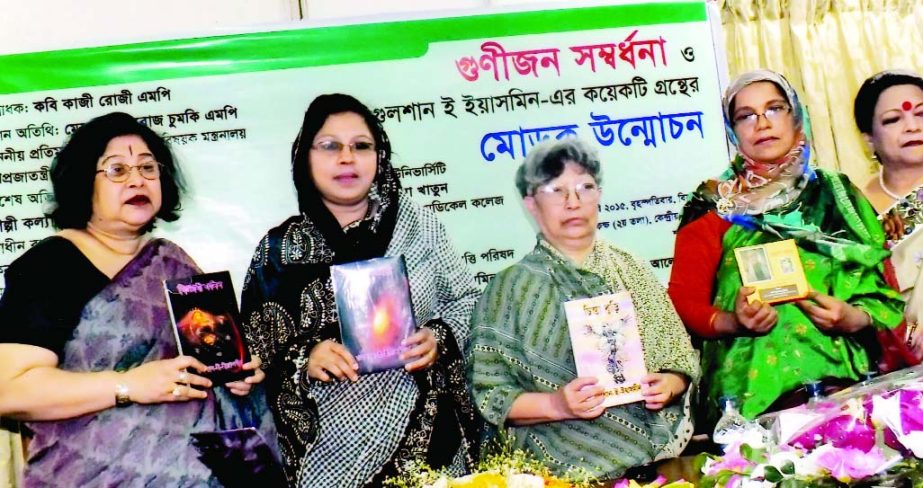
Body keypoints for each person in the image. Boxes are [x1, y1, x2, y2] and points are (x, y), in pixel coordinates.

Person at [0, 112, 276, 487]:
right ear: (84, 182)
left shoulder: (174, 263)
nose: (137, 179)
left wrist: (236, 377)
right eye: (117, 170)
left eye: (148, 167)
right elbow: (10, 391)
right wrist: (128, 386)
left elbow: (206, 367)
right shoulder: (51, 266)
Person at [239, 93, 481, 487]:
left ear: (379, 157)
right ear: (306, 158)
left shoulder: (419, 226)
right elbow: (252, 363)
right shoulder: (279, 251)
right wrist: (306, 359)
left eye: (361, 146)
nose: (347, 158)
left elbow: (469, 301)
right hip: (328, 458)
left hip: (430, 448)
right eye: (330, 146)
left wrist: (438, 337)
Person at [668, 70, 905, 423]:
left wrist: (853, 318)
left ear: (796, 116)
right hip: (752, 404)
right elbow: (684, 303)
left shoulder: (838, 196)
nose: (762, 123)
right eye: (746, 115)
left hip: (852, 388)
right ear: (733, 131)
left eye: (774, 109)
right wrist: (735, 322)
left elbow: (884, 291)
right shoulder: (714, 205)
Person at [467, 138, 700, 480]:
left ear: (599, 195)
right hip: (553, 471)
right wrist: (557, 405)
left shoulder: (630, 268)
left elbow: (679, 360)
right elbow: (490, 395)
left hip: (652, 463)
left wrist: (669, 383)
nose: (573, 202)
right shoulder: (509, 289)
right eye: (556, 190)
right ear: (531, 204)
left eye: (584, 187)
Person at [854, 70, 923, 362]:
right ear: (869, 139)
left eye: (921, 114)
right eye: (893, 119)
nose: (912, 127)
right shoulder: (854, 210)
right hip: (901, 362)